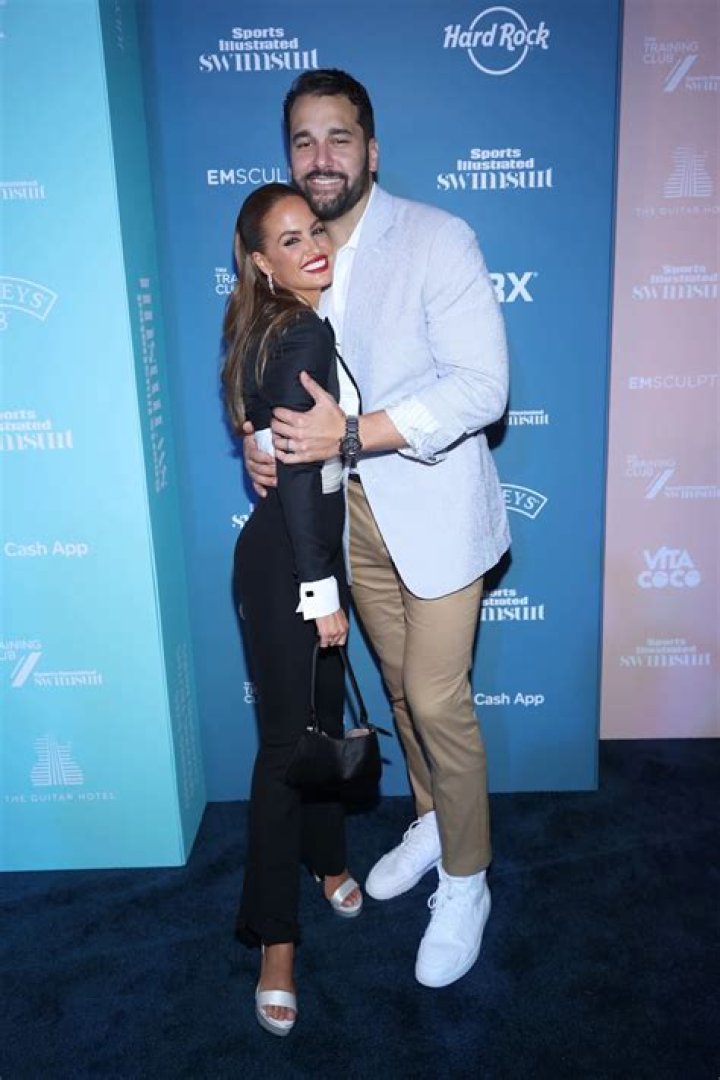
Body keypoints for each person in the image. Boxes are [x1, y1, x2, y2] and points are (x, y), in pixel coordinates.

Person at [244, 70, 510, 990]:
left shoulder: (437, 238)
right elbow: (269, 372)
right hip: (349, 516)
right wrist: (261, 442)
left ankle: (469, 878)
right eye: (304, 141)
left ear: (372, 149)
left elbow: (483, 388)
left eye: (339, 137)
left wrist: (351, 435)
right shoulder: (297, 251)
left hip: (435, 506)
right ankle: (433, 823)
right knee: (397, 692)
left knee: (435, 699)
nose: (321, 157)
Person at [224, 182, 363, 1037]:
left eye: (315, 229)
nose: (313, 246)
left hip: (286, 556)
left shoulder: (268, 322)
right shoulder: (302, 328)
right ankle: (276, 941)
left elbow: (261, 421)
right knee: (286, 750)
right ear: (260, 262)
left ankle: (328, 860)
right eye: (289, 240)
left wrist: (255, 438)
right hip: (293, 566)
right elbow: (305, 477)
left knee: (319, 726)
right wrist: (320, 593)